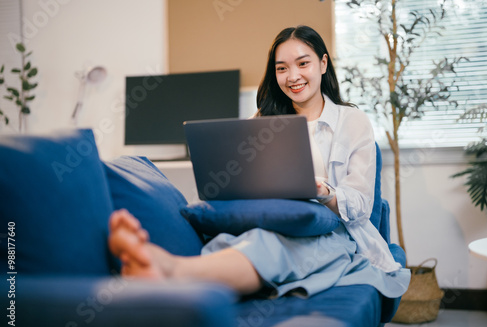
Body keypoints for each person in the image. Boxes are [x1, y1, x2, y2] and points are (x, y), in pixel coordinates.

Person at [109, 25, 410, 298]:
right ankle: (158, 260)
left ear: (323, 63)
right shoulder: (262, 122)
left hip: (333, 232)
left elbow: (360, 205)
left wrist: (324, 192)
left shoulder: (352, 121)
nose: (292, 77)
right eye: (282, 68)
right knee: (242, 239)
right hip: (270, 220)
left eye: (303, 63)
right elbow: (236, 182)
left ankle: (170, 270)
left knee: (274, 248)